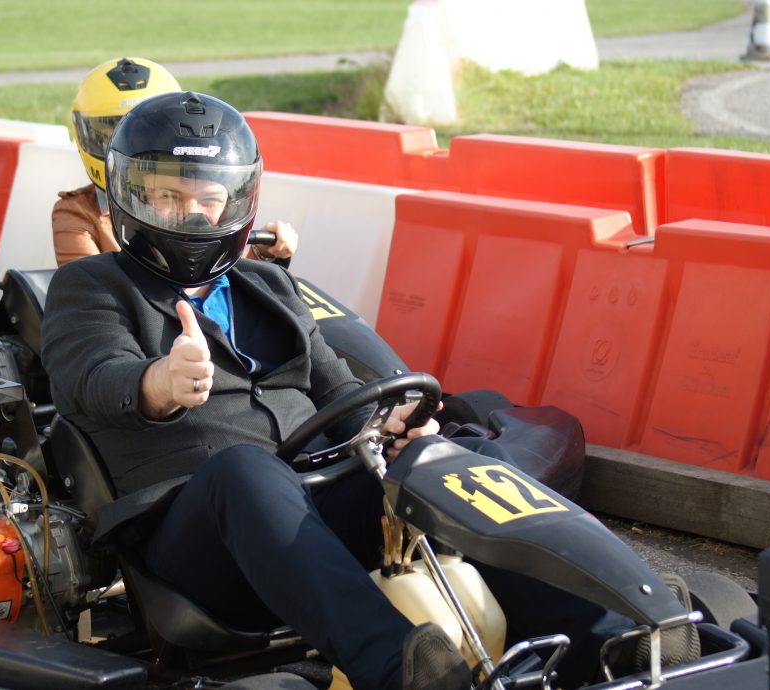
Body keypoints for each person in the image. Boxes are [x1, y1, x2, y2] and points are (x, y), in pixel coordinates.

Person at [42, 90, 470, 690]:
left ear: (237, 199)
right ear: (131, 196)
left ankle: (590, 638)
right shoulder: (92, 286)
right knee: (244, 471)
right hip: (199, 543)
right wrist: (161, 381)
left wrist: (396, 428)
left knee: (455, 455)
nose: (194, 217)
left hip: (313, 505)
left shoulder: (269, 284)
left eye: (208, 199)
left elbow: (340, 392)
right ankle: (403, 672)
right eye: (169, 197)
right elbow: (93, 377)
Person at [53, 56, 296, 267]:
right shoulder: (75, 211)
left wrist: (261, 254)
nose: (190, 210)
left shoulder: (199, 196)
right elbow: (90, 286)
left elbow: (220, 280)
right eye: (167, 196)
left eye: (145, 133)